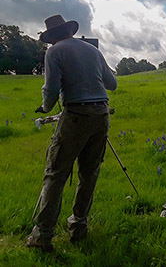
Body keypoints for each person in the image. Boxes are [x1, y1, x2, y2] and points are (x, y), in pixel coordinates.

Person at [26, 15, 117, 252]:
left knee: (55, 174)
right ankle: (78, 227)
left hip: (76, 114)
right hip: (102, 115)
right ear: (69, 31)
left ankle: (43, 236)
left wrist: (45, 108)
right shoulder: (93, 51)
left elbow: (52, 88)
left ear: (52, 37)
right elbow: (112, 84)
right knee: (89, 173)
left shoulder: (55, 52)